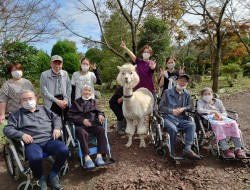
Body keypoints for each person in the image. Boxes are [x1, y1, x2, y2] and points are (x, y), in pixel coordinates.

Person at [3, 90, 68, 190]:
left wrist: (57, 128)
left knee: (64, 150)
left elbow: (56, 118)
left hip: (49, 140)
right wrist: (21, 134)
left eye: (30, 98)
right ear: (20, 102)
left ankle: (53, 174)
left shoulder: (44, 109)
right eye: (24, 99)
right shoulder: (16, 115)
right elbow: (7, 129)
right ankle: (40, 178)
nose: (28, 101)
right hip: (32, 143)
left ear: (36, 99)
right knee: (35, 158)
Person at [197, 87, 246, 158]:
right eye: (205, 94)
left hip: (222, 118)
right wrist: (213, 112)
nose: (207, 95)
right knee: (219, 125)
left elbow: (224, 112)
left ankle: (238, 149)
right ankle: (225, 149)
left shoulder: (218, 102)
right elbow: (199, 110)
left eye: (209, 94)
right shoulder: (200, 102)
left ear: (212, 94)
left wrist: (220, 116)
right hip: (210, 120)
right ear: (202, 95)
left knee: (234, 123)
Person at [159, 74, 200, 159]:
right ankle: (172, 149)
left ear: (187, 84)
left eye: (185, 81)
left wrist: (183, 108)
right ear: (176, 81)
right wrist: (172, 111)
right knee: (173, 129)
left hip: (181, 118)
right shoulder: (167, 92)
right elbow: (160, 107)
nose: (182, 82)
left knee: (192, 125)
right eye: (181, 80)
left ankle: (187, 149)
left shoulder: (187, 94)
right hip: (168, 117)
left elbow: (191, 106)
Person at [68, 85, 108, 169]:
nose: (87, 92)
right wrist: (82, 120)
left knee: (101, 130)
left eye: (89, 91)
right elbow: (70, 115)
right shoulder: (76, 103)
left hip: (93, 124)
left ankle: (99, 156)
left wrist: (100, 115)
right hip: (81, 126)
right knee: (82, 133)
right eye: (85, 90)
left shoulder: (93, 101)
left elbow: (99, 111)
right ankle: (87, 157)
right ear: (81, 92)